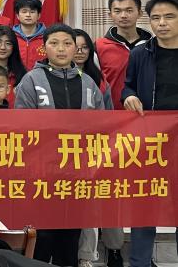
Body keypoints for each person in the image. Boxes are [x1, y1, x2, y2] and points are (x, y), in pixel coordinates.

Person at [15, 24, 104, 267]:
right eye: (54, 43)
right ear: (44, 48)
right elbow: (22, 127)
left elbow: (102, 126)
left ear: (76, 48)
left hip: (77, 173)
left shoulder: (88, 83)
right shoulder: (31, 80)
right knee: (42, 237)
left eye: (67, 43)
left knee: (70, 236)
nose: (61, 49)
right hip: (42, 174)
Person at [121, 0, 178, 267]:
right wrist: (129, 96)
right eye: (156, 18)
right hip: (150, 142)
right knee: (145, 206)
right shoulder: (140, 53)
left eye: (169, 17)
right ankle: (139, 263)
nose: (161, 23)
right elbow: (127, 86)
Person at [73, 29, 122, 267]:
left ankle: (93, 255)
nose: (79, 52)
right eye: (75, 46)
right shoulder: (47, 78)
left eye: (84, 47)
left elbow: (108, 117)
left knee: (96, 202)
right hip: (61, 151)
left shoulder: (99, 81)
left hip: (94, 150)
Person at [95, 0, 152, 110]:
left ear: (140, 13)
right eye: (117, 11)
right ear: (110, 15)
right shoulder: (98, 46)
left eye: (129, 10)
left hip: (149, 114)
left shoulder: (153, 45)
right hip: (112, 114)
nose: (123, 15)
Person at [13, 0, 46, 71]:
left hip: (40, 77)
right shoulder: (10, 36)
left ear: (38, 15)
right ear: (17, 16)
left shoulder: (48, 37)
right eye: (24, 12)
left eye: (32, 12)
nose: (28, 15)